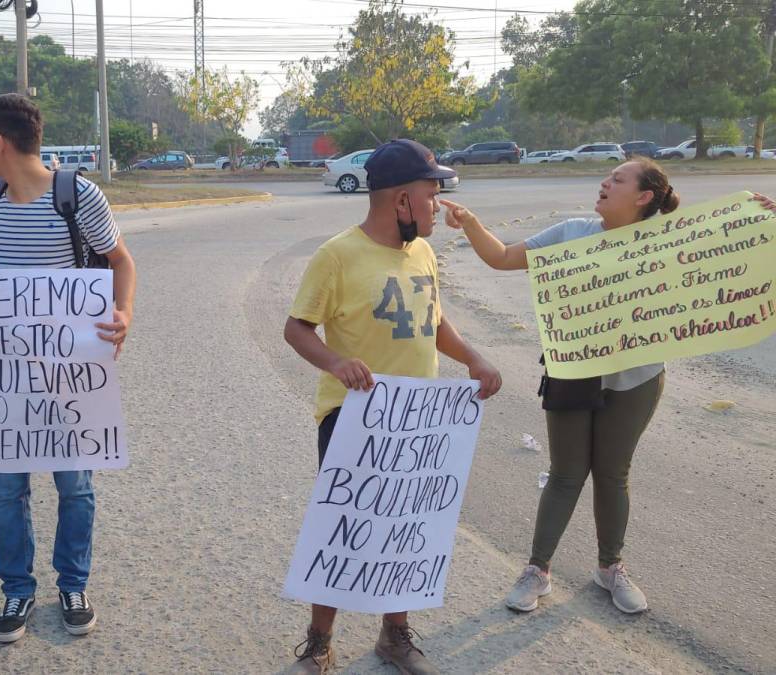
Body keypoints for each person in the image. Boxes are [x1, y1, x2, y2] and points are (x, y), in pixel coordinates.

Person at [0, 93, 137, 644]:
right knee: (4, 491)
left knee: (75, 487)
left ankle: (73, 583)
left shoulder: (76, 194)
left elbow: (120, 261)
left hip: (68, 372)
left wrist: (124, 314)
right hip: (7, 376)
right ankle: (17, 588)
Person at [284, 139, 502, 674]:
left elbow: (432, 320)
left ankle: (394, 633)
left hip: (418, 421)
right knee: (344, 527)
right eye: (432, 195)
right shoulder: (337, 255)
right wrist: (336, 362)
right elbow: (297, 328)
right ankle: (319, 640)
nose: (438, 206)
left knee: (407, 526)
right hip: (353, 417)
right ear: (401, 200)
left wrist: (473, 357)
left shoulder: (423, 252)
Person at [439, 157, 679, 615]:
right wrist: (470, 222)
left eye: (618, 179)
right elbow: (503, 257)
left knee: (613, 475)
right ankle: (537, 570)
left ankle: (610, 568)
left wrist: (756, 223)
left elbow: (728, 268)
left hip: (637, 378)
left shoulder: (665, 242)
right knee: (566, 473)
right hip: (571, 371)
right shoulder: (571, 233)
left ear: (644, 196)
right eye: (608, 176)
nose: (605, 182)